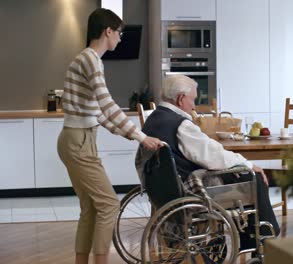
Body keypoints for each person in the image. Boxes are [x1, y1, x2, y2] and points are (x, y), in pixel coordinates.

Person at [57, 8, 163, 264]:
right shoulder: (91, 60)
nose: (120, 37)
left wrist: (133, 135)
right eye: (119, 33)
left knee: (91, 208)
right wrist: (140, 136)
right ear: (108, 31)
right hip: (79, 141)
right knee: (108, 204)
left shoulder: (84, 59)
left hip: (78, 139)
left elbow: (100, 114)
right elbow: (107, 105)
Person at [135, 74, 280, 249]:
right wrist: (248, 164)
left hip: (164, 188)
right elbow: (214, 157)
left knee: (243, 174)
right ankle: (262, 241)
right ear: (181, 99)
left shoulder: (154, 118)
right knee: (253, 178)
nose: (194, 105)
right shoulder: (180, 125)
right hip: (191, 189)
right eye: (193, 100)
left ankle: (252, 239)